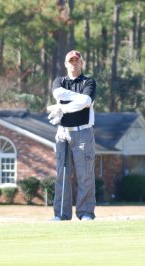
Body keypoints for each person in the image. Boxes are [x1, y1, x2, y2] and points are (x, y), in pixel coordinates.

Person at [47, 50, 96, 221]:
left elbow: (86, 102)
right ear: (65, 63)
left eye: (77, 60)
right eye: (71, 60)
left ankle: (86, 213)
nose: (74, 63)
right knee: (62, 175)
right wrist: (80, 100)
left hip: (83, 132)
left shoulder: (89, 82)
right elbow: (58, 94)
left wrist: (63, 108)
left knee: (85, 175)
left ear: (81, 63)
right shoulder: (59, 82)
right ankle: (61, 214)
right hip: (63, 134)